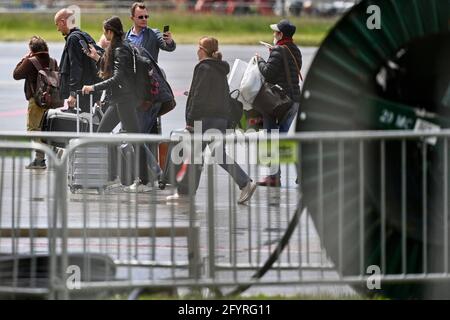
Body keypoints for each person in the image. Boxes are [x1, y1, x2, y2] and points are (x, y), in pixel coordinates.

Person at [166, 37, 257, 204]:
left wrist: (190, 120)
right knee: (217, 154)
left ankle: (184, 193)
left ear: (202, 50)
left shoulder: (202, 68)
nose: (196, 51)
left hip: (204, 119)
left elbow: (199, 97)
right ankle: (245, 183)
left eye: (198, 47)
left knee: (194, 155)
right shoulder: (220, 69)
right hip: (220, 119)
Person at [81, 16, 160, 190]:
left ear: (110, 31)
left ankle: (145, 181)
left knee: (135, 139)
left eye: (105, 31)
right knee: (102, 133)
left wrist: (93, 87)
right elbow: (116, 68)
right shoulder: (119, 47)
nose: (104, 34)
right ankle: (112, 175)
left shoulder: (120, 49)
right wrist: (97, 58)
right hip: (119, 100)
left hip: (125, 100)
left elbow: (118, 77)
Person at [255, 19, 302, 187]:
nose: (273, 35)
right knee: (282, 140)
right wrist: (273, 53)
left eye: (275, 32)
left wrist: (260, 60)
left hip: (278, 102)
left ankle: (274, 177)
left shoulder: (279, 51)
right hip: (293, 101)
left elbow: (268, 74)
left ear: (281, 34)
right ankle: (296, 174)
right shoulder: (294, 50)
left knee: (273, 140)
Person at [13, 36, 58, 169]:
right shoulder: (53, 61)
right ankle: (53, 152)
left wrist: (25, 58)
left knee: (34, 129)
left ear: (32, 49)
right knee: (48, 128)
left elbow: (16, 74)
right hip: (52, 100)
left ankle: (40, 159)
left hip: (36, 101)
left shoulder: (31, 61)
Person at [55, 8, 101, 112]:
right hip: (88, 91)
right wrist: (97, 96)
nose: (58, 29)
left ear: (62, 22)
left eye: (57, 25)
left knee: (79, 126)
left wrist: (73, 94)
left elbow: (76, 67)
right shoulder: (85, 36)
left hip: (81, 94)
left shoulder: (73, 39)